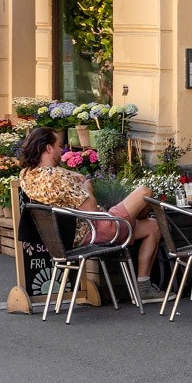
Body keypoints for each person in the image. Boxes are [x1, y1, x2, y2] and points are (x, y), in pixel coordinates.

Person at [17, 127, 163, 301]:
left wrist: (73, 174)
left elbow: (55, 173)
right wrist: (87, 188)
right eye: (58, 146)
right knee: (145, 192)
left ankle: (144, 288)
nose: (61, 150)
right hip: (96, 228)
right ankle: (136, 221)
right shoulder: (57, 177)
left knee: (152, 226)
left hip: (66, 237)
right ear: (49, 148)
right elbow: (91, 209)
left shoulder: (27, 175)